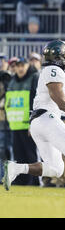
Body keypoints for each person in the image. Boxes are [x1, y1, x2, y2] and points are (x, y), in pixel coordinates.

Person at [2, 40, 65, 195]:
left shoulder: (56, 71)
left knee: (55, 169)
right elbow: (61, 102)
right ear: (58, 56)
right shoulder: (54, 70)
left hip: (41, 119)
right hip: (45, 118)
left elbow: (57, 105)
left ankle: (16, 168)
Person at [4, 57, 39, 186]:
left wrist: (33, 121)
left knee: (31, 155)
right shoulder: (13, 81)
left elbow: (35, 102)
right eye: (17, 66)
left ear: (27, 66)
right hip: (16, 124)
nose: (19, 68)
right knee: (19, 155)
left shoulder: (34, 77)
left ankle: (35, 181)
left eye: (22, 65)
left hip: (28, 124)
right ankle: (22, 180)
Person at [0, 54, 11, 182]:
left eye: (3, 60)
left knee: (6, 150)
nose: (1, 63)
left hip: (9, 120)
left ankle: (7, 176)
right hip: (3, 119)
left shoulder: (10, 78)